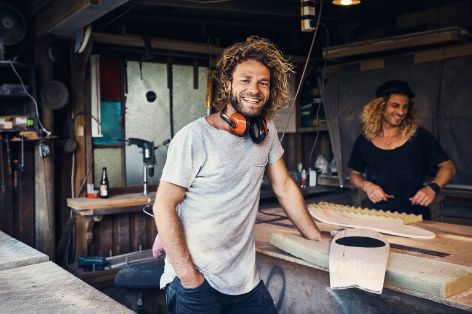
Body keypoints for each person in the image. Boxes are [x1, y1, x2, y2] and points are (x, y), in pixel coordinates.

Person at [152, 36, 324, 314]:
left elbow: (283, 186)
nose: (254, 89)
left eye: (263, 83)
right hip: (198, 280)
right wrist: (189, 278)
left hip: (244, 281)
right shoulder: (194, 137)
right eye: (245, 80)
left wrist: (315, 236)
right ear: (228, 84)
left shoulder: (265, 133)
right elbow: (164, 205)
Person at [348, 80, 456, 219]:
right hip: (377, 217)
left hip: (415, 219)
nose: (401, 112)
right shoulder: (364, 140)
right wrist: (367, 185)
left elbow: (448, 167)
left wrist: (432, 188)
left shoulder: (420, 137)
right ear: (380, 106)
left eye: (405, 107)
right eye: (395, 106)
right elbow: (354, 175)